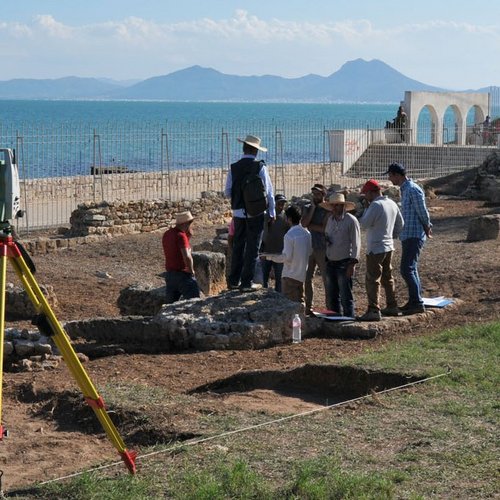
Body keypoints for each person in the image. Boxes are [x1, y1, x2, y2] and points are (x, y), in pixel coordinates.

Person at [225, 135, 275, 292]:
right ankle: (247, 282)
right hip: (256, 212)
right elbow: (268, 191)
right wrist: (272, 212)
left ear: (243, 148)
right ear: (255, 151)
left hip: (239, 213)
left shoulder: (233, 167)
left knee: (238, 246)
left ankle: (234, 280)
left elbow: (227, 192)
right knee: (253, 247)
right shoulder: (260, 167)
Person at [385, 162, 432, 315]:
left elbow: (422, 211)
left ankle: (417, 302)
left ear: (397, 175)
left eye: (391, 176)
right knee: (410, 268)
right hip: (408, 234)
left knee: (407, 269)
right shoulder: (406, 190)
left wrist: (427, 226)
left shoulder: (412, 189)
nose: (390, 179)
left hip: (414, 234)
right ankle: (414, 300)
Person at [357, 179, 404, 321]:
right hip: (389, 246)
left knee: (372, 278)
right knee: (387, 277)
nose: (365, 196)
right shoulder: (392, 203)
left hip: (375, 247)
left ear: (372, 192)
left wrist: (365, 209)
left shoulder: (375, 205)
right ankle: (392, 305)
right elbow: (400, 224)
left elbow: (364, 224)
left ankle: (373, 309)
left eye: (366, 193)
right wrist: (391, 235)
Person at [261, 205, 311, 303]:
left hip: (290, 276)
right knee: (300, 302)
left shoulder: (289, 235)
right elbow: (309, 252)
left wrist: (268, 257)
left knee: (289, 305)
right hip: (301, 275)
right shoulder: (307, 233)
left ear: (289, 219)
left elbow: (285, 257)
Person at [321, 193, 360, 318]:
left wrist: (352, 264)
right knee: (332, 295)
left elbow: (356, 243)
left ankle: (349, 318)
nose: (336, 208)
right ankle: (335, 320)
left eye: (338, 205)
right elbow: (327, 235)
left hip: (345, 262)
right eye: (334, 205)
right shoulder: (330, 220)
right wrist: (327, 240)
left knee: (345, 295)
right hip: (331, 261)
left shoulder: (351, 220)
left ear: (343, 206)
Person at [301, 184, 329, 315]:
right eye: (314, 194)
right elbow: (304, 224)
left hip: (322, 247)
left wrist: (311, 225)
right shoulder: (308, 207)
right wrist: (312, 208)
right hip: (308, 246)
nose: (315, 197)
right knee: (307, 278)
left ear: (323, 194)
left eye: (318, 194)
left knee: (326, 278)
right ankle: (308, 307)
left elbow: (324, 229)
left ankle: (330, 306)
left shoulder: (328, 209)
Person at [162, 211, 200, 304]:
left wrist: (188, 237)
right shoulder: (181, 236)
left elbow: (175, 249)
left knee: (169, 305)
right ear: (186, 223)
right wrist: (191, 271)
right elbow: (187, 256)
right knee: (194, 303)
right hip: (183, 274)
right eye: (190, 223)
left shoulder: (167, 234)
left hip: (170, 274)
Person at [260, 194, 289, 292]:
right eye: (279, 202)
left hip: (280, 251)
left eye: (283, 203)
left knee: (279, 278)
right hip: (266, 250)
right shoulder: (266, 215)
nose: (281, 204)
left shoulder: (286, 216)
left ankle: (278, 298)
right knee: (263, 278)